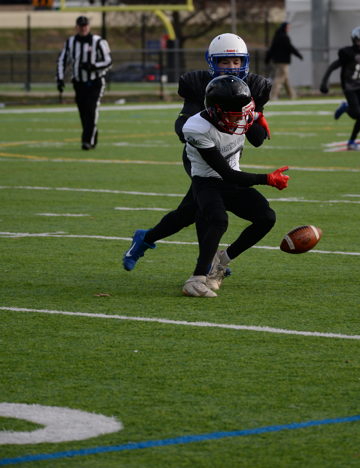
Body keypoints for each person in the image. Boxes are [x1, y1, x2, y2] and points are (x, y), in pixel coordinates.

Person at [122, 32, 272, 277]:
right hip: (201, 153)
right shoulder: (199, 85)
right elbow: (183, 128)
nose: (231, 67)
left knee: (188, 213)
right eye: (224, 61)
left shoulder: (254, 87)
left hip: (231, 153)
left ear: (245, 62)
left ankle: (146, 238)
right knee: (210, 211)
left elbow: (257, 140)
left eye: (236, 61)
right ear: (212, 62)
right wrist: (211, 119)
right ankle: (207, 267)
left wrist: (253, 115)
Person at [181, 74, 289, 297]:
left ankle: (222, 261)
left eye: (243, 112)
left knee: (266, 217)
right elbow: (227, 174)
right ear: (215, 111)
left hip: (231, 179)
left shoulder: (238, 113)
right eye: (233, 114)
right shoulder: (197, 128)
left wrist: (259, 116)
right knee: (218, 220)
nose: (240, 119)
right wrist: (267, 179)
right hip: (207, 181)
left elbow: (250, 115)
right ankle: (196, 279)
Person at [56, 15, 112, 150]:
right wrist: (60, 79)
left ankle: (87, 141)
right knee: (83, 112)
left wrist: (93, 66)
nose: (83, 28)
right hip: (79, 83)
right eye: (81, 26)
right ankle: (92, 134)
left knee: (91, 109)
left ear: (89, 26)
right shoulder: (70, 42)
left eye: (85, 25)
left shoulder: (98, 41)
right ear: (77, 27)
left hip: (95, 82)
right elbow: (62, 60)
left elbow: (108, 61)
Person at [319, 25, 360, 150]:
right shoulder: (348, 53)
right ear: (354, 41)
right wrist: (324, 82)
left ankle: (352, 141)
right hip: (349, 85)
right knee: (356, 113)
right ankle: (345, 107)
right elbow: (333, 66)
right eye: (359, 41)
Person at [265, 21, 303, 100]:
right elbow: (290, 48)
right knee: (279, 78)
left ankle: (292, 95)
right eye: (288, 27)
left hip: (277, 61)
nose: (289, 29)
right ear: (284, 28)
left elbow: (272, 49)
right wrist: (299, 55)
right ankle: (273, 96)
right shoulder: (284, 37)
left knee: (285, 79)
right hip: (283, 62)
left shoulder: (277, 36)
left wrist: (267, 59)